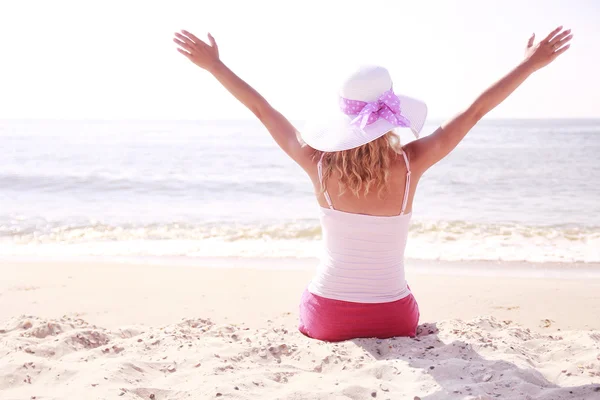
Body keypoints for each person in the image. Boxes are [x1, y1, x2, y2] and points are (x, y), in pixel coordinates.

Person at [173, 26, 573, 342]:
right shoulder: (413, 163)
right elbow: (475, 111)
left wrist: (214, 66)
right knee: (398, 291)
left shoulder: (317, 164)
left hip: (327, 317)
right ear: (390, 112)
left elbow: (263, 110)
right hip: (394, 318)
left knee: (314, 296)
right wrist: (530, 64)